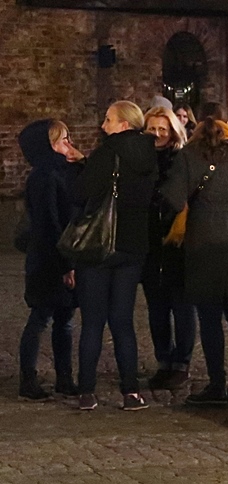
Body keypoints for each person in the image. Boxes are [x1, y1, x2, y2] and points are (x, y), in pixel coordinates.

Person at [160, 102, 228, 406]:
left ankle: (217, 384)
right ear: (226, 123)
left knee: (209, 317)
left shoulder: (189, 155)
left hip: (205, 237)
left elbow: (173, 197)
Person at [74, 101, 159, 411]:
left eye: (108, 120)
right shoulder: (149, 155)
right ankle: (131, 392)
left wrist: (82, 167)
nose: (103, 125)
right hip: (133, 246)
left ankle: (86, 391)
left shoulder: (107, 152)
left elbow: (82, 192)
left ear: (123, 124)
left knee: (93, 321)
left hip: (100, 245)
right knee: (123, 321)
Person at [16, 119, 84, 400]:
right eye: (62, 139)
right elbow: (50, 224)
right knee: (41, 318)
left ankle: (64, 378)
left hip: (62, 255)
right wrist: (66, 265)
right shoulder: (45, 176)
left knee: (64, 320)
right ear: (49, 144)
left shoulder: (64, 170)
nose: (69, 143)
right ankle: (28, 378)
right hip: (49, 259)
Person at [141, 106, 195, 391]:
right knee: (156, 308)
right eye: (152, 128)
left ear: (173, 131)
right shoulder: (140, 160)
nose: (157, 134)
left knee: (182, 306)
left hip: (178, 241)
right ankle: (164, 360)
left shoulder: (182, 160)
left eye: (163, 129)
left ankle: (181, 363)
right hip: (149, 242)